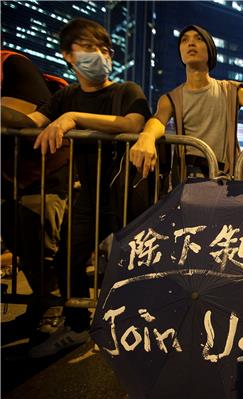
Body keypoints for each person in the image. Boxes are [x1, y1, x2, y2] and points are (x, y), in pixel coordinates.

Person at [11, 18, 151, 357]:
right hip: (87, 193)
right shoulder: (66, 96)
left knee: (135, 262)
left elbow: (132, 123)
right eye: (89, 48)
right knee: (68, 257)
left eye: (104, 49)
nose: (100, 55)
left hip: (126, 193)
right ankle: (76, 325)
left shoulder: (126, 90)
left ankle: (140, 326)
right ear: (69, 56)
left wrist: (73, 118)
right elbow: (30, 123)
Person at [129, 25, 243, 179]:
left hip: (227, 177)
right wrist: (147, 136)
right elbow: (158, 120)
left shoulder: (230, 89)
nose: (190, 43)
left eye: (199, 39)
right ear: (180, 51)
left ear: (210, 50)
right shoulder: (171, 98)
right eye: (184, 40)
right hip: (190, 177)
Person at [1, 50, 69, 332]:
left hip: (46, 175)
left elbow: (32, 122)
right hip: (13, 177)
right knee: (18, 239)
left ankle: (54, 306)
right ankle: (39, 303)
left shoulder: (11, 62)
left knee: (41, 243)